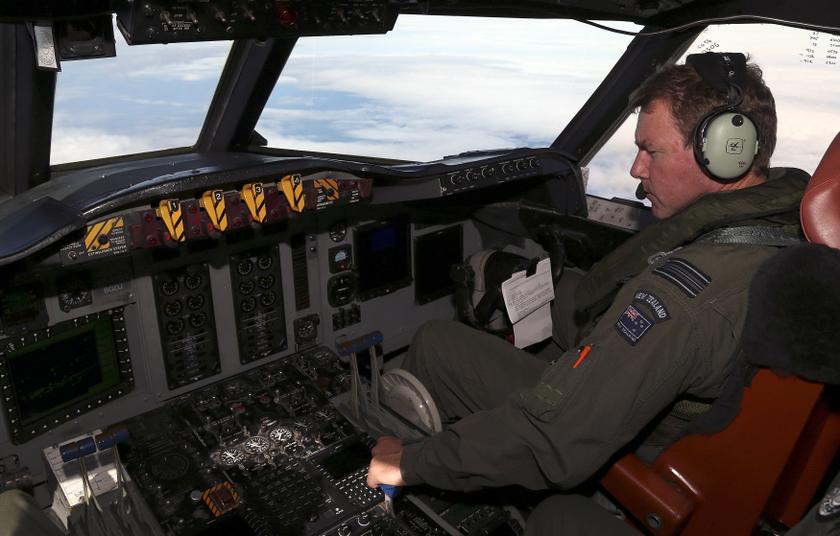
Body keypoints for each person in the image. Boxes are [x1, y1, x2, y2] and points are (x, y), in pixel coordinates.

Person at [366, 53, 811, 530]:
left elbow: (553, 441)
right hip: (706, 416)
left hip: (642, 450)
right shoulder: (788, 223)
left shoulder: (681, 300)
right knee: (559, 288)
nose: (636, 169)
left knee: (436, 342)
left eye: (651, 151)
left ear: (725, 153)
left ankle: (393, 481)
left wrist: (409, 462)